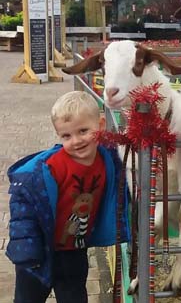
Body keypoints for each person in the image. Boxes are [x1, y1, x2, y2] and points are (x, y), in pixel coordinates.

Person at [7, 91, 130, 303]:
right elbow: (24, 206)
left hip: (75, 251)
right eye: (66, 136)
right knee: (27, 298)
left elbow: (131, 147)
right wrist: (27, 251)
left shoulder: (109, 158)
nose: (76, 141)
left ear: (101, 125)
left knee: (75, 296)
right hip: (39, 253)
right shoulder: (48, 168)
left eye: (83, 131)